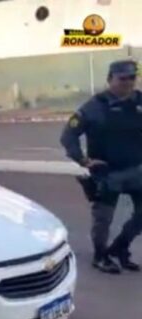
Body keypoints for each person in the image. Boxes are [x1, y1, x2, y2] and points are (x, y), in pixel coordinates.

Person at [61, 59, 142, 274]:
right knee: (103, 219)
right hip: (107, 174)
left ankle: (119, 248)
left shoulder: (139, 101)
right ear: (110, 79)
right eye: (122, 78)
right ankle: (100, 256)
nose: (128, 82)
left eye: (132, 77)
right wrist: (83, 160)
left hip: (137, 170)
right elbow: (69, 136)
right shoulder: (94, 106)